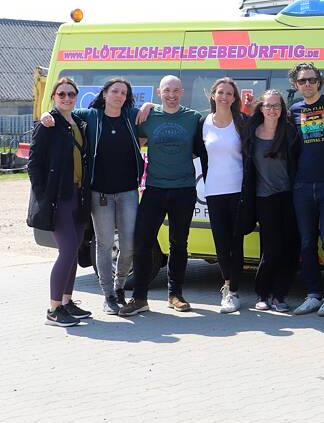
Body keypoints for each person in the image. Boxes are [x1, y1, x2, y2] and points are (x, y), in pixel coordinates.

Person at [38, 77, 144, 315]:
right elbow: (62, 112)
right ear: (104, 94)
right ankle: (108, 295)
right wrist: (45, 114)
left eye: (123, 93)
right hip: (99, 193)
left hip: (128, 191)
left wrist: (148, 106)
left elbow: (157, 110)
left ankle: (119, 288)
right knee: (104, 244)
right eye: (114, 91)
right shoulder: (90, 116)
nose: (119, 96)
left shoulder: (131, 116)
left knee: (128, 244)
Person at [119, 75, 204, 316]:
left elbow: (202, 145)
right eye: (167, 90)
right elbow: (124, 125)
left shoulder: (193, 118)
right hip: (154, 189)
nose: (172, 95)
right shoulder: (148, 116)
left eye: (176, 90)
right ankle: (139, 298)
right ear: (159, 92)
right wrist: (147, 106)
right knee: (142, 243)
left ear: (182, 92)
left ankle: (175, 295)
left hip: (184, 189)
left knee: (179, 243)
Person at [29, 77, 91, 327]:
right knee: (66, 251)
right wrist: (44, 195)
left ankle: (66, 302)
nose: (67, 98)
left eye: (71, 94)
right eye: (62, 94)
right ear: (54, 96)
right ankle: (53, 310)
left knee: (74, 250)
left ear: (76, 96)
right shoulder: (48, 124)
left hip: (79, 195)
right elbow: (34, 164)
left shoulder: (78, 123)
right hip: (60, 197)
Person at [288, 62, 324, 317]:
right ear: (296, 84)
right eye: (302, 81)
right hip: (302, 184)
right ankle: (313, 295)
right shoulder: (294, 109)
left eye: (312, 79)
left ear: (319, 81)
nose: (308, 84)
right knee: (307, 242)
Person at [240, 90, 301, 313]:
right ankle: (263, 294)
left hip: (289, 196)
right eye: (268, 105)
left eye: (276, 106)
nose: (272, 109)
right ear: (261, 108)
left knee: (290, 248)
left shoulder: (290, 132)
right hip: (264, 198)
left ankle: (279, 295)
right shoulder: (251, 131)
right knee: (272, 248)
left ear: (282, 109)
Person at [201, 78, 246, 314]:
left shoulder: (242, 121)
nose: (224, 97)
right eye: (220, 92)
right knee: (221, 244)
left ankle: (234, 291)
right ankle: (227, 286)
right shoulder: (203, 122)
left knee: (236, 243)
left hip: (238, 190)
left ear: (234, 98)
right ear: (213, 95)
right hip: (213, 190)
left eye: (229, 93)